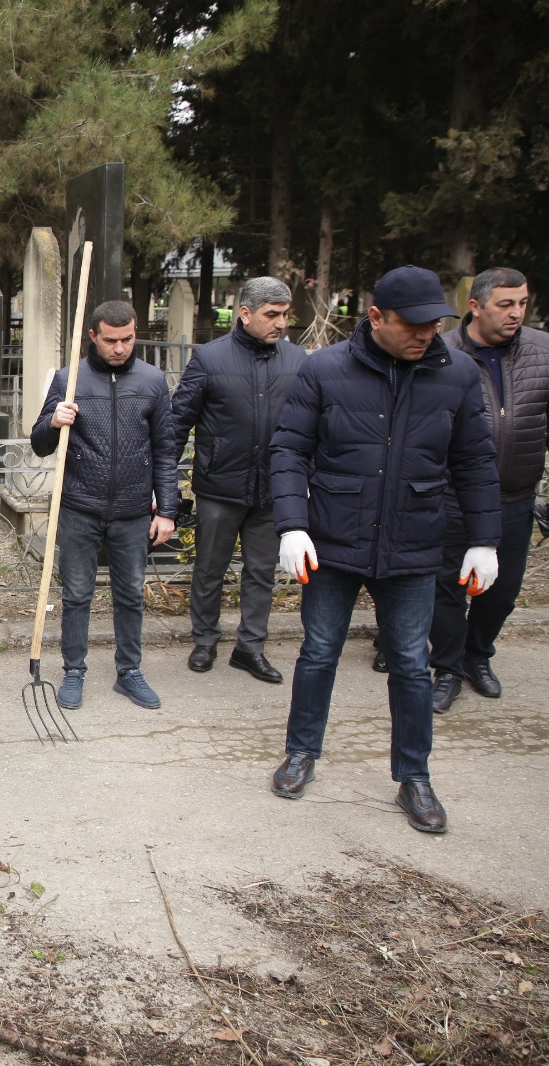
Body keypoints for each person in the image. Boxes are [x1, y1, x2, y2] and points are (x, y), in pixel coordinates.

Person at [269, 265, 500, 834]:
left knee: (411, 665)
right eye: (412, 324)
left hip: (413, 543)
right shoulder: (325, 369)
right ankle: (301, 753)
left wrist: (484, 539)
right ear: (376, 317)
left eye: (434, 324)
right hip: (334, 540)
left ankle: (414, 777)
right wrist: (292, 525)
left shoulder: (457, 375)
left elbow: (474, 461)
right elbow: (289, 449)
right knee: (319, 654)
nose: (426, 334)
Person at [31, 300, 179, 711]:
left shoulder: (152, 381)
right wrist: (53, 421)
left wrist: (167, 510)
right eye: (111, 340)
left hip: (133, 510)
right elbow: (40, 444)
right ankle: (74, 670)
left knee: (130, 594)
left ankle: (129, 672)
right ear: (93, 336)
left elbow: (165, 449)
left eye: (127, 339)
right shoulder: (69, 379)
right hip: (80, 507)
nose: (119, 348)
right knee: (77, 594)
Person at [171, 276, 308, 684]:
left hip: (272, 490)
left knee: (261, 572)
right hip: (220, 486)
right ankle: (205, 641)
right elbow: (178, 422)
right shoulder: (210, 359)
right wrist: (162, 483)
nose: (280, 323)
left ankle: (251, 648)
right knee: (209, 568)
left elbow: (309, 425)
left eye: (285, 315)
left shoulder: (297, 360)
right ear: (245, 314)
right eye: (272, 314)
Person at [430, 267, 549, 711]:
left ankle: (477, 655)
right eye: (505, 304)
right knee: (446, 587)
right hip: (451, 496)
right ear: (476, 307)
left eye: (522, 303)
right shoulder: (441, 353)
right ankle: (447, 667)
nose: (516, 313)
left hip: (514, 496)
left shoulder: (543, 351)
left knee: (501, 591)